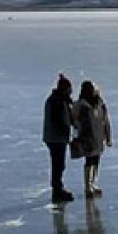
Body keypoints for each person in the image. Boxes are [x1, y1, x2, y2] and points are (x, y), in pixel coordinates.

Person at [72, 79, 112, 197]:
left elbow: (106, 121)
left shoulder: (100, 104)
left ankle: (93, 183)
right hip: (87, 137)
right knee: (89, 160)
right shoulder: (81, 105)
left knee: (96, 160)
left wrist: (108, 137)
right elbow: (75, 121)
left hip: (98, 137)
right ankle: (88, 186)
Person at [42, 73, 75, 203]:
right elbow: (61, 121)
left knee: (58, 164)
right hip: (56, 138)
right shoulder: (57, 101)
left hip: (55, 137)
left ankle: (58, 188)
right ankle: (57, 190)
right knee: (58, 164)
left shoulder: (59, 99)